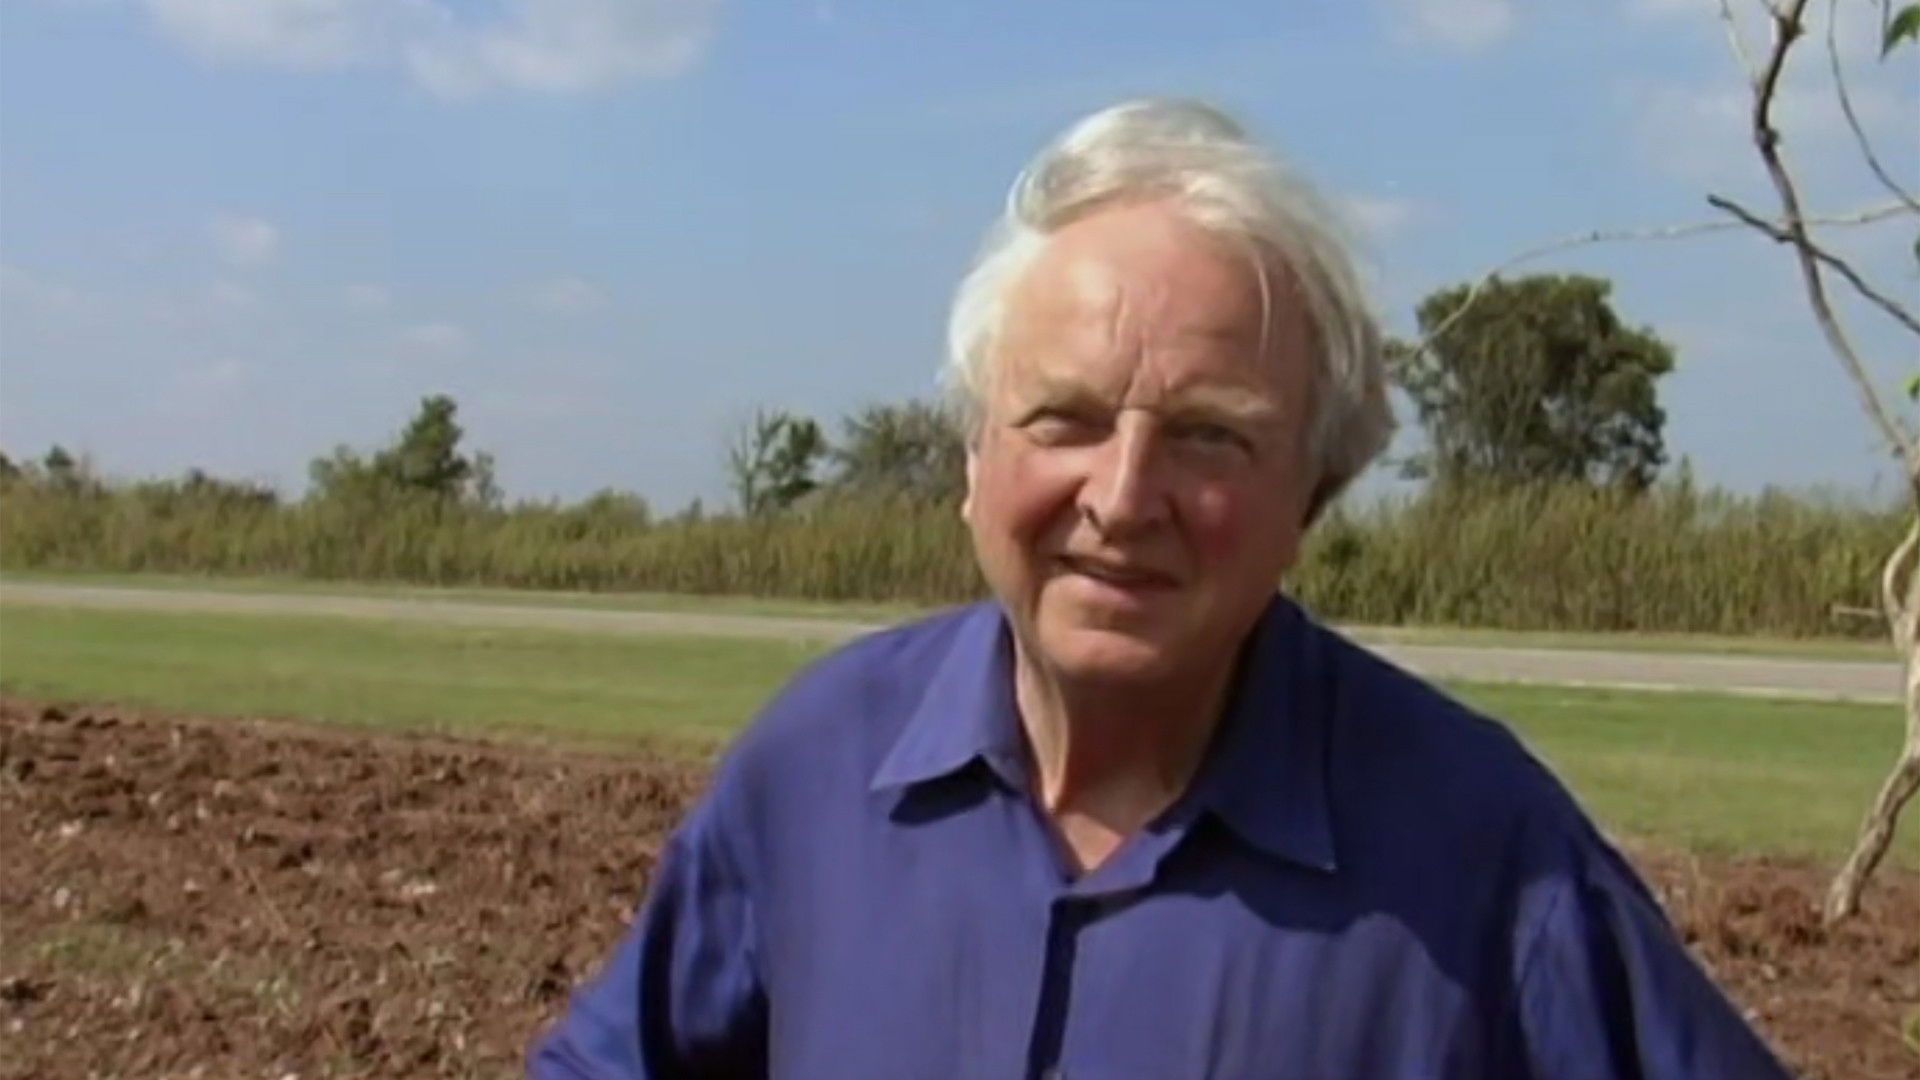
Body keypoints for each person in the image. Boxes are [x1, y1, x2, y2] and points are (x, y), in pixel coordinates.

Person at [527, 99, 1792, 1079]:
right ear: (974, 460)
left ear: (1311, 496)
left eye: (1209, 435)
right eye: (1065, 420)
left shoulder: (1482, 851)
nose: (1124, 496)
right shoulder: (814, 768)